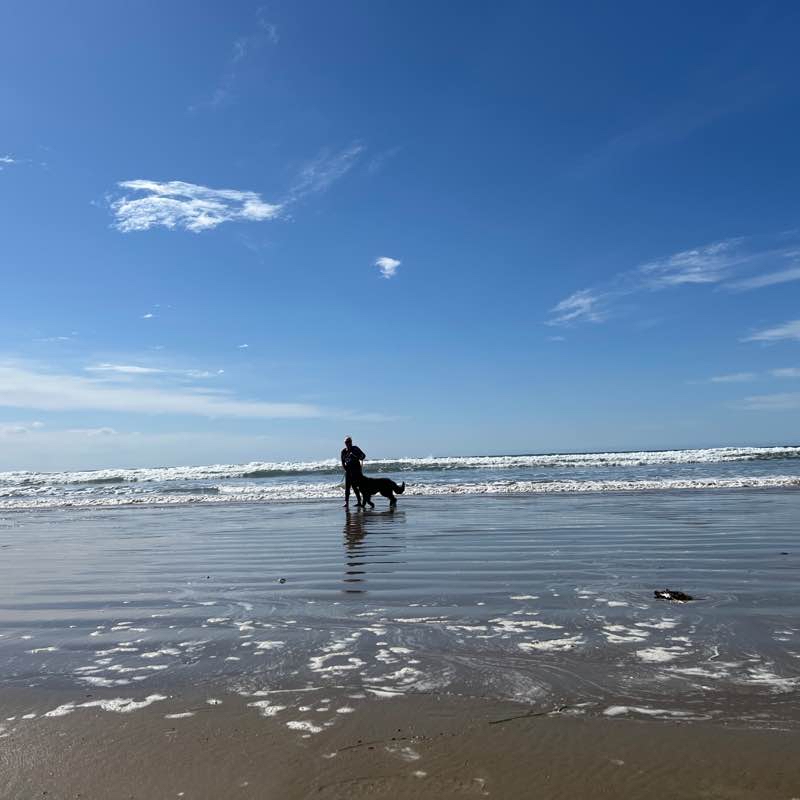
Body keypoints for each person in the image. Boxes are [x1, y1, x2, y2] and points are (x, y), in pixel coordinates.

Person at [340, 436, 365, 508]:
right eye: (346, 442)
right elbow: (342, 462)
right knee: (347, 487)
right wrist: (345, 469)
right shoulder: (343, 451)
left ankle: (359, 501)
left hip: (356, 470)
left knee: (355, 487)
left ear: (351, 442)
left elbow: (363, 456)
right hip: (348, 471)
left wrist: (356, 456)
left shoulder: (355, 448)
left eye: (349, 441)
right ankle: (346, 503)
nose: (348, 443)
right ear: (344, 443)